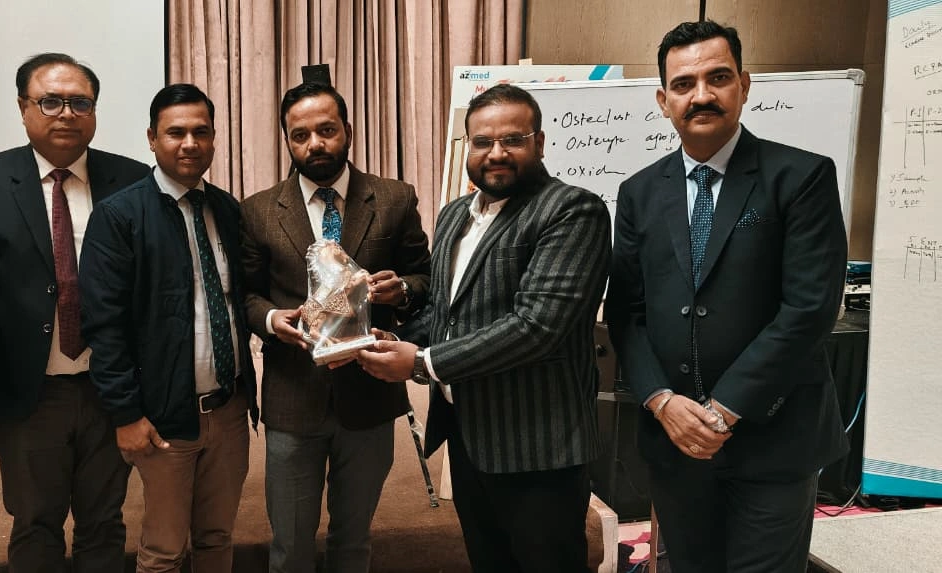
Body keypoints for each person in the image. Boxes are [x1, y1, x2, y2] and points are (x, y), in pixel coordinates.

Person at [604, 20, 849, 573]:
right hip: (675, 438)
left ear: (744, 84)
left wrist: (721, 412)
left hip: (774, 436)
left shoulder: (802, 177)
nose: (702, 95)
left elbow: (808, 309)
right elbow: (627, 312)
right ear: (664, 101)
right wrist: (661, 402)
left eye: (717, 78)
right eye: (684, 84)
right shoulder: (639, 192)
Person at [356, 83, 610, 573]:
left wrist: (422, 362)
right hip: (470, 438)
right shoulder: (455, 215)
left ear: (539, 142)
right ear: (467, 146)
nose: (496, 153)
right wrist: (399, 339)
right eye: (482, 141)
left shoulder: (572, 210)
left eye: (513, 139)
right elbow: (447, 312)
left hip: (538, 447)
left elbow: (538, 327)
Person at [0, 53, 148, 572]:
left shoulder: (132, 179)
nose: (66, 113)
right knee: (35, 524)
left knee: (104, 522)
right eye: (50, 102)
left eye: (80, 102)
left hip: (111, 389)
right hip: (28, 392)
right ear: (23, 108)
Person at [240, 81, 431, 573]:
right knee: (290, 545)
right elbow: (245, 294)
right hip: (293, 396)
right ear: (287, 140)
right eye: (300, 135)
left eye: (326, 130)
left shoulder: (394, 198)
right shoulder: (259, 210)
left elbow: (425, 278)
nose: (315, 144)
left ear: (348, 130)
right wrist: (270, 319)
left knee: (354, 539)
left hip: (370, 396)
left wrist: (401, 289)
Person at [81, 83, 256, 573]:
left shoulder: (226, 209)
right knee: (163, 549)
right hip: (163, 418)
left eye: (201, 132)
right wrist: (125, 415)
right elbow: (104, 325)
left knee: (218, 537)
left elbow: (237, 301)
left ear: (214, 138)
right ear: (152, 139)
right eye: (176, 132)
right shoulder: (119, 216)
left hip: (229, 408)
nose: (189, 143)